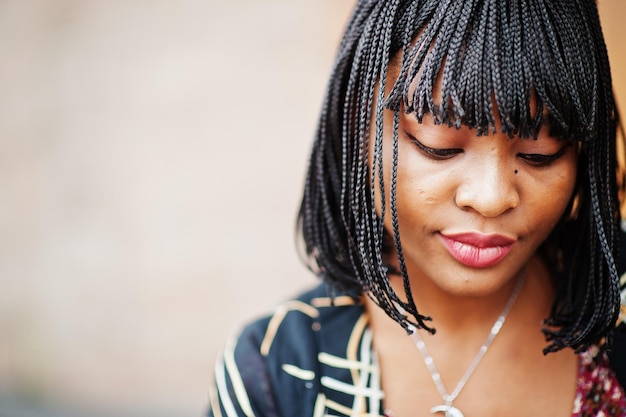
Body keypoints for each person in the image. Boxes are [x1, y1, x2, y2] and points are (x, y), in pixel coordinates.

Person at [208, 1, 626, 416]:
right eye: (437, 145)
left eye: (541, 153)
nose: (491, 197)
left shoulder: (617, 312)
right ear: (359, 124)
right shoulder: (274, 376)